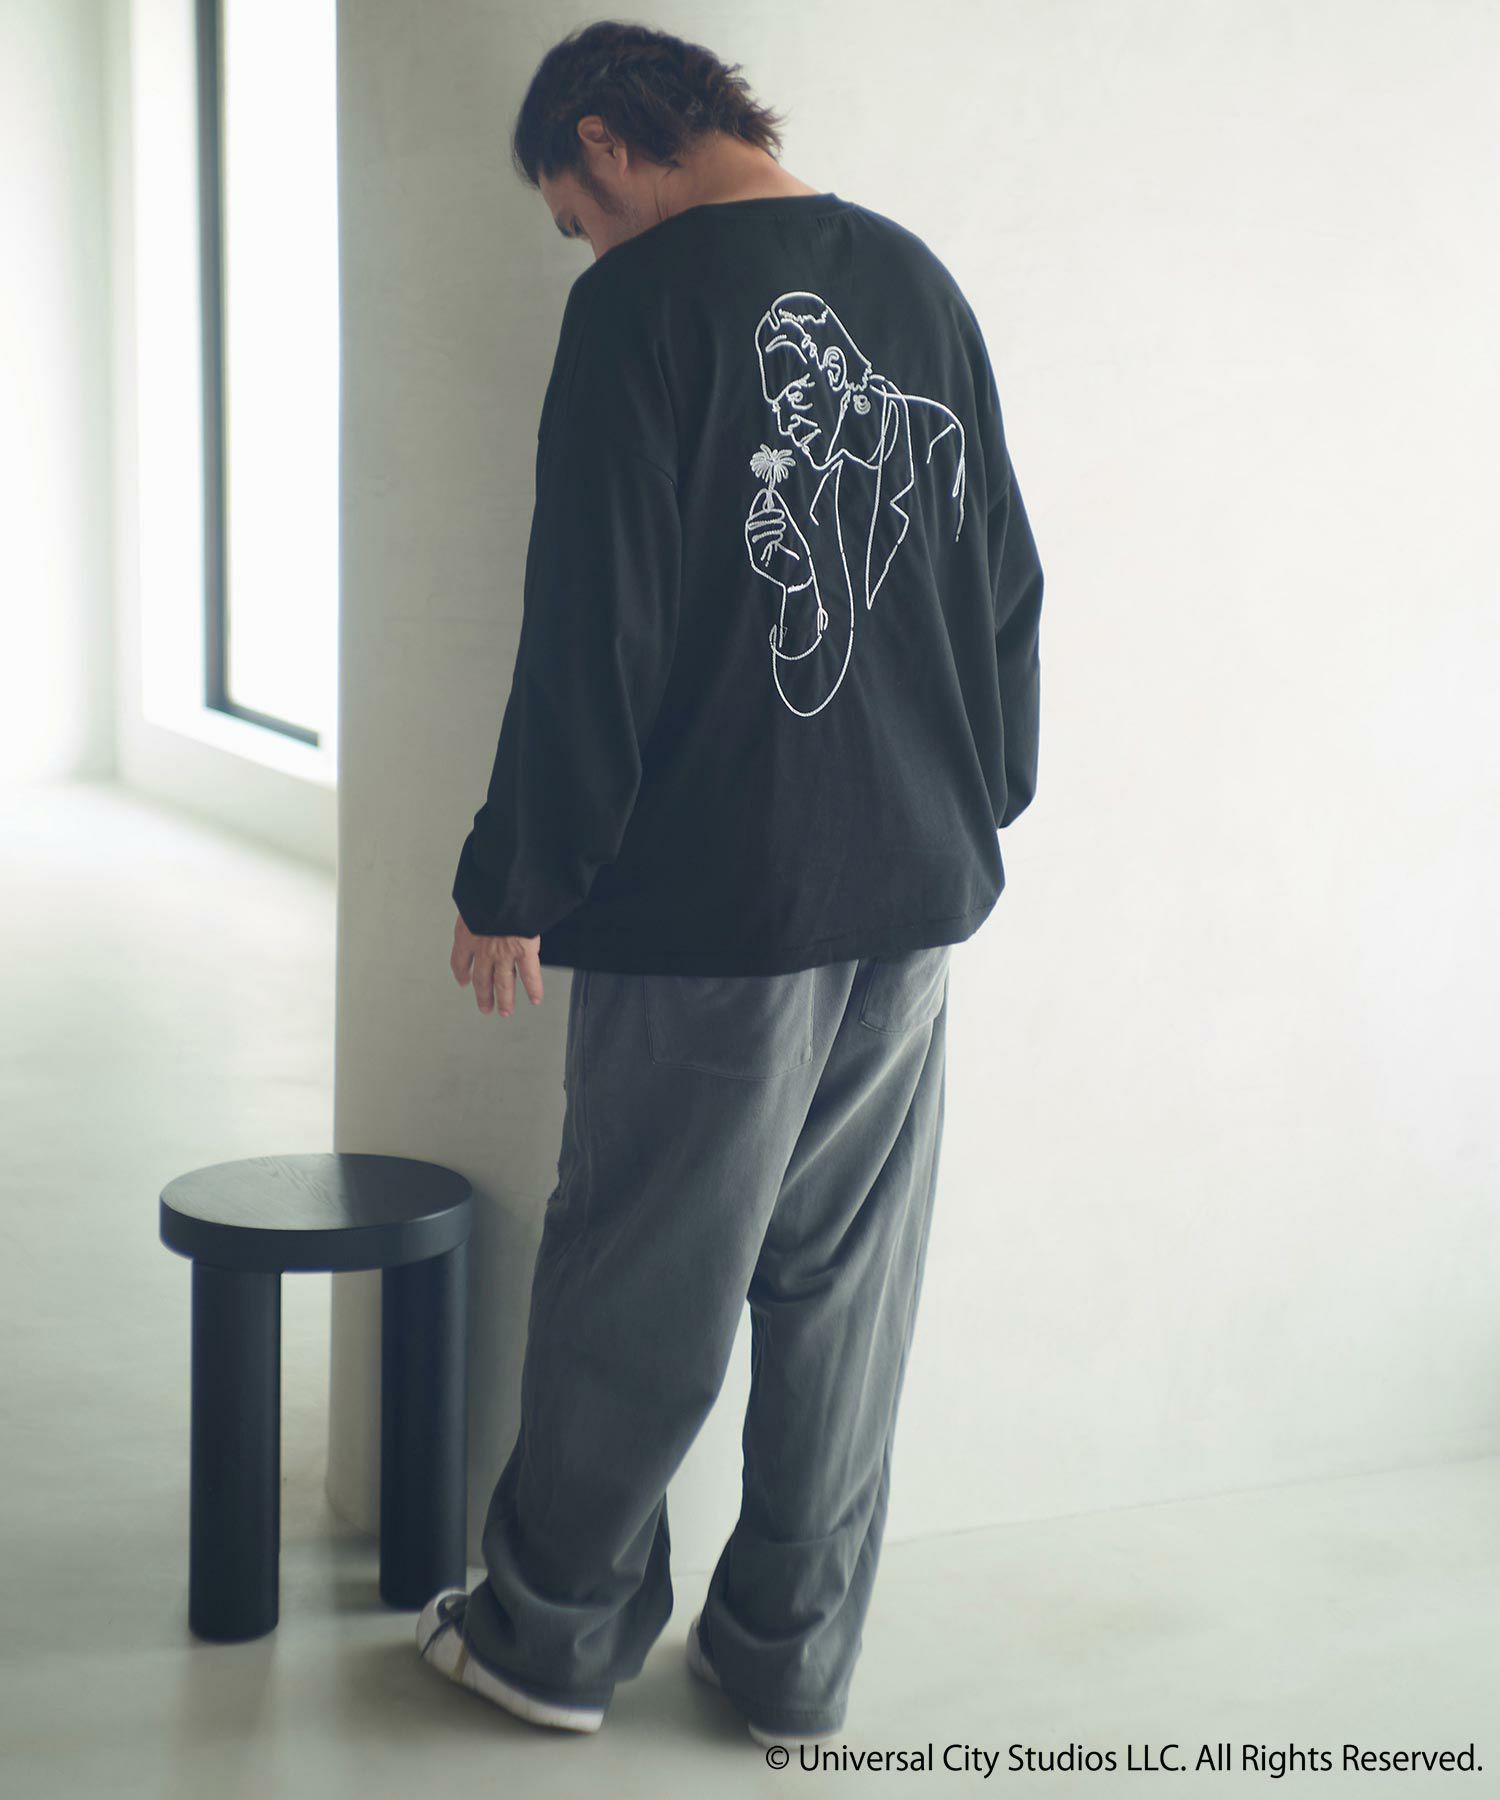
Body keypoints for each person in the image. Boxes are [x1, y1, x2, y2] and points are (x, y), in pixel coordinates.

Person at [418, 18, 1045, 1749]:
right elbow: (1006, 577)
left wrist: (516, 875)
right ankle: (789, 1662)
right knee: (843, 1296)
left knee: (640, 1276)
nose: (585, 249)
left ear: (606, 138)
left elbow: (592, 623)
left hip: (715, 901)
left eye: (575, 216)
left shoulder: (638, 308)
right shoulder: (914, 280)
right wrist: (975, 795)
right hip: (910, 890)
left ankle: (549, 1640)